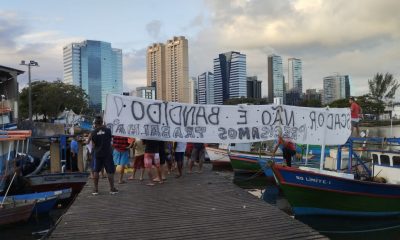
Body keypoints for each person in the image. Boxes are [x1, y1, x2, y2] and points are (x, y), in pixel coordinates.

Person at [91, 116, 118, 195]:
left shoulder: (93, 132)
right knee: (110, 171)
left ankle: (96, 189)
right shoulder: (108, 130)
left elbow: (94, 143)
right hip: (107, 153)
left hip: (98, 153)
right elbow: (110, 139)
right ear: (102, 122)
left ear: (95, 123)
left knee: (96, 171)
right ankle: (112, 189)